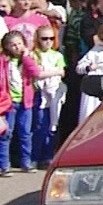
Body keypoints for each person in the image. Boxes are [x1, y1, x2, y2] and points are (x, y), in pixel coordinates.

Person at [0, 31, 62, 175]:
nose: (17, 47)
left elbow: (36, 72)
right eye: (13, 45)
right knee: (6, 134)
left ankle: (26, 163)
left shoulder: (28, 58)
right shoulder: (4, 61)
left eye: (19, 44)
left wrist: (26, 57)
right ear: (7, 47)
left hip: (25, 102)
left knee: (25, 133)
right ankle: (4, 165)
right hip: (8, 103)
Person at [31, 25, 66, 169]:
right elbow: (36, 73)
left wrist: (47, 72)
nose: (48, 42)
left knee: (53, 126)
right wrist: (54, 71)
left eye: (51, 38)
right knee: (39, 125)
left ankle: (48, 156)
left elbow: (62, 72)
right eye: (44, 38)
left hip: (54, 93)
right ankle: (35, 157)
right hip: (39, 94)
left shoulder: (57, 55)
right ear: (38, 39)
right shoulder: (34, 54)